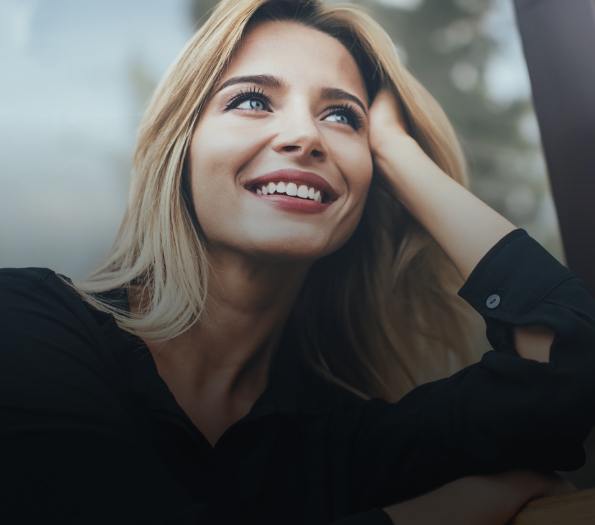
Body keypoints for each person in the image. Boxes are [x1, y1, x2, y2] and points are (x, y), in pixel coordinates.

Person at [1, 0, 594, 523]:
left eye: (342, 117)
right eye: (253, 100)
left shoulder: (339, 437)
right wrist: (456, 510)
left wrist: (400, 153)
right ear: (180, 150)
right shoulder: (27, 328)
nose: (305, 136)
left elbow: (570, 371)